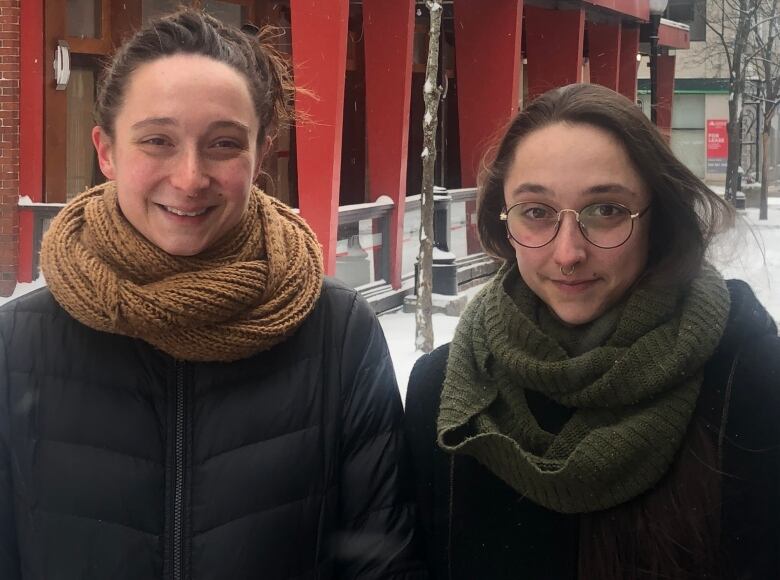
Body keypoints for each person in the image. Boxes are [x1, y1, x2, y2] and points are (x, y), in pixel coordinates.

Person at [0, 9, 425, 579]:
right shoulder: (18, 346)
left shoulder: (336, 333)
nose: (190, 177)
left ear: (260, 152)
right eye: (157, 140)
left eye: (223, 143)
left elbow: (384, 564)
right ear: (106, 151)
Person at [405, 83, 780, 579]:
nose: (567, 254)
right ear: (503, 219)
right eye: (536, 213)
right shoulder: (447, 392)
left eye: (606, 211)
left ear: (657, 217)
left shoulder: (745, 376)